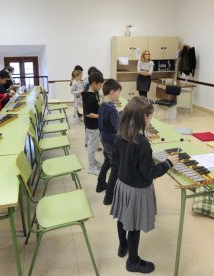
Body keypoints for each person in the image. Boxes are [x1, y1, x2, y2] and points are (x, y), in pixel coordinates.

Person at [110, 96, 178, 273]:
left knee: (122, 218)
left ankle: (122, 246)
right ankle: (133, 261)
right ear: (143, 118)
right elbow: (150, 173)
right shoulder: (142, 143)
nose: (151, 120)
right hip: (137, 190)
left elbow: (115, 161)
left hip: (122, 185)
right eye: (150, 117)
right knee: (133, 226)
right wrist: (168, 163)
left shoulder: (120, 134)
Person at [96, 79, 121, 205]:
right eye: (118, 93)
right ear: (112, 92)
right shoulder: (112, 110)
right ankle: (109, 196)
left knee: (107, 161)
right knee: (115, 167)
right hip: (111, 141)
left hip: (104, 139)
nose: (118, 96)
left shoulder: (103, 105)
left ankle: (100, 184)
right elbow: (118, 128)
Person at [81, 71, 104, 175]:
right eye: (100, 84)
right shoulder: (90, 97)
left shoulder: (91, 94)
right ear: (94, 83)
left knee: (93, 144)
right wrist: (100, 116)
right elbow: (87, 113)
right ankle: (91, 167)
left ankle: (93, 162)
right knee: (92, 146)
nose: (101, 86)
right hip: (92, 125)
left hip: (92, 124)